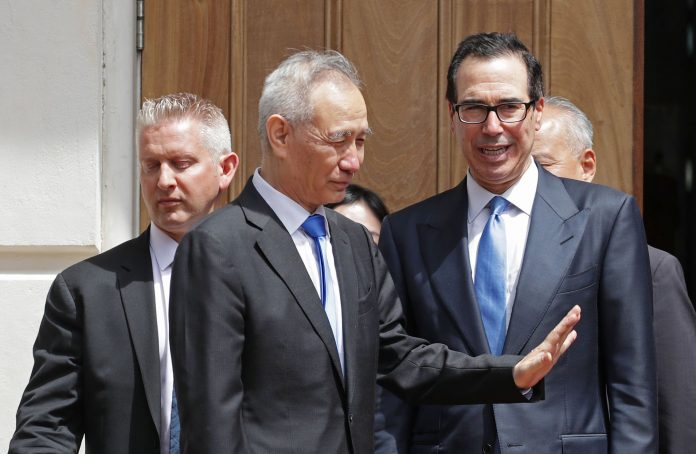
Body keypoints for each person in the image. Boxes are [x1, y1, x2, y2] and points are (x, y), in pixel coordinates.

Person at [168, 49, 582, 454]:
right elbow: (211, 423)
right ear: (280, 134)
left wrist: (511, 373)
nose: (353, 161)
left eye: (361, 140)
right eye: (339, 140)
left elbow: (401, 359)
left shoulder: (353, 243)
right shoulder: (217, 246)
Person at [377, 33, 656, 453]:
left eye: (509, 107)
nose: (493, 127)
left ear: (537, 112)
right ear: (452, 115)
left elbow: (632, 385)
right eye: (474, 108)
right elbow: (394, 381)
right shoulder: (407, 233)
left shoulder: (604, 219)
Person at [8, 93, 239, 454]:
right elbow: (47, 427)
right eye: (151, 165)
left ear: (225, 169)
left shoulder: (267, 277)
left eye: (180, 163)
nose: (164, 181)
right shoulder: (86, 289)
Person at [534, 95, 696, 454]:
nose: (529, 187)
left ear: (586, 165)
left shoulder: (652, 269)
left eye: (543, 168)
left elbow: (678, 409)